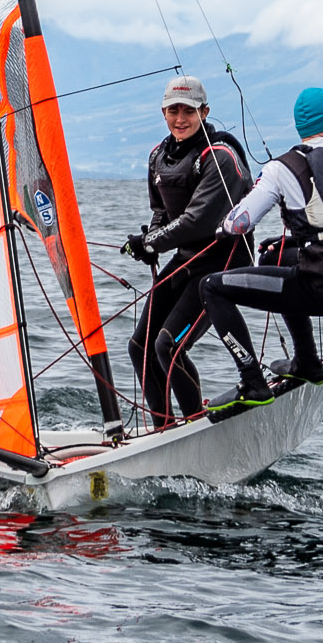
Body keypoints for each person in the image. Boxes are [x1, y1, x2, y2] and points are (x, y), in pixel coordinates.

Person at [199, 86, 323, 411]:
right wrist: (296, 242)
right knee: (274, 255)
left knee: (211, 287)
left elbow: (240, 223)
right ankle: (307, 362)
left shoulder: (282, 168)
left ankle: (252, 382)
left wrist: (221, 228)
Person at [116, 75, 254, 427]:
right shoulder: (158, 156)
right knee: (140, 347)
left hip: (222, 263)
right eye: (173, 110)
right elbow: (162, 212)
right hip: (187, 259)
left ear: (204, 112)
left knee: (168, 346)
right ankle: (164, 428)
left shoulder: (220, 157)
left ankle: (195, 425)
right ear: (163, 112)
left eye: (189, 111)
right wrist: (149, 240)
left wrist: (152, 242)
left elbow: (197, 221)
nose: (180, 119)